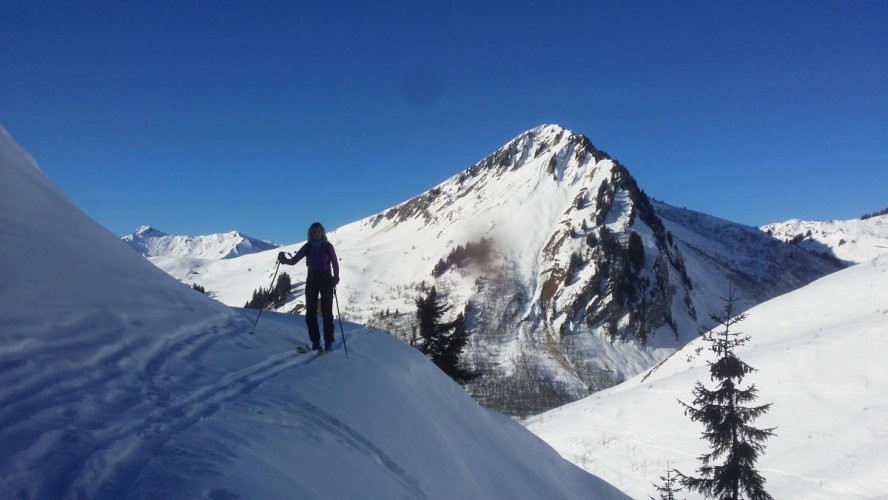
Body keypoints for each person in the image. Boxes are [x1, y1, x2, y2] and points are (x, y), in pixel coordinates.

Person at [278, 222, 340, 352]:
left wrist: (336, 277)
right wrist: (284, 260)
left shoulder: (328, 246)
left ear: (322, 232)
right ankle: (316, 342)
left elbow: (335, 263)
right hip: (312, 279)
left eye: (318, 231)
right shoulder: (307, 247)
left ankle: (328, 341)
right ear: (311, 233)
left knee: (326, 311)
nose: (316, 233)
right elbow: (294, 260)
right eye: (314, 231)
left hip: (326, 279)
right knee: (310, 312)